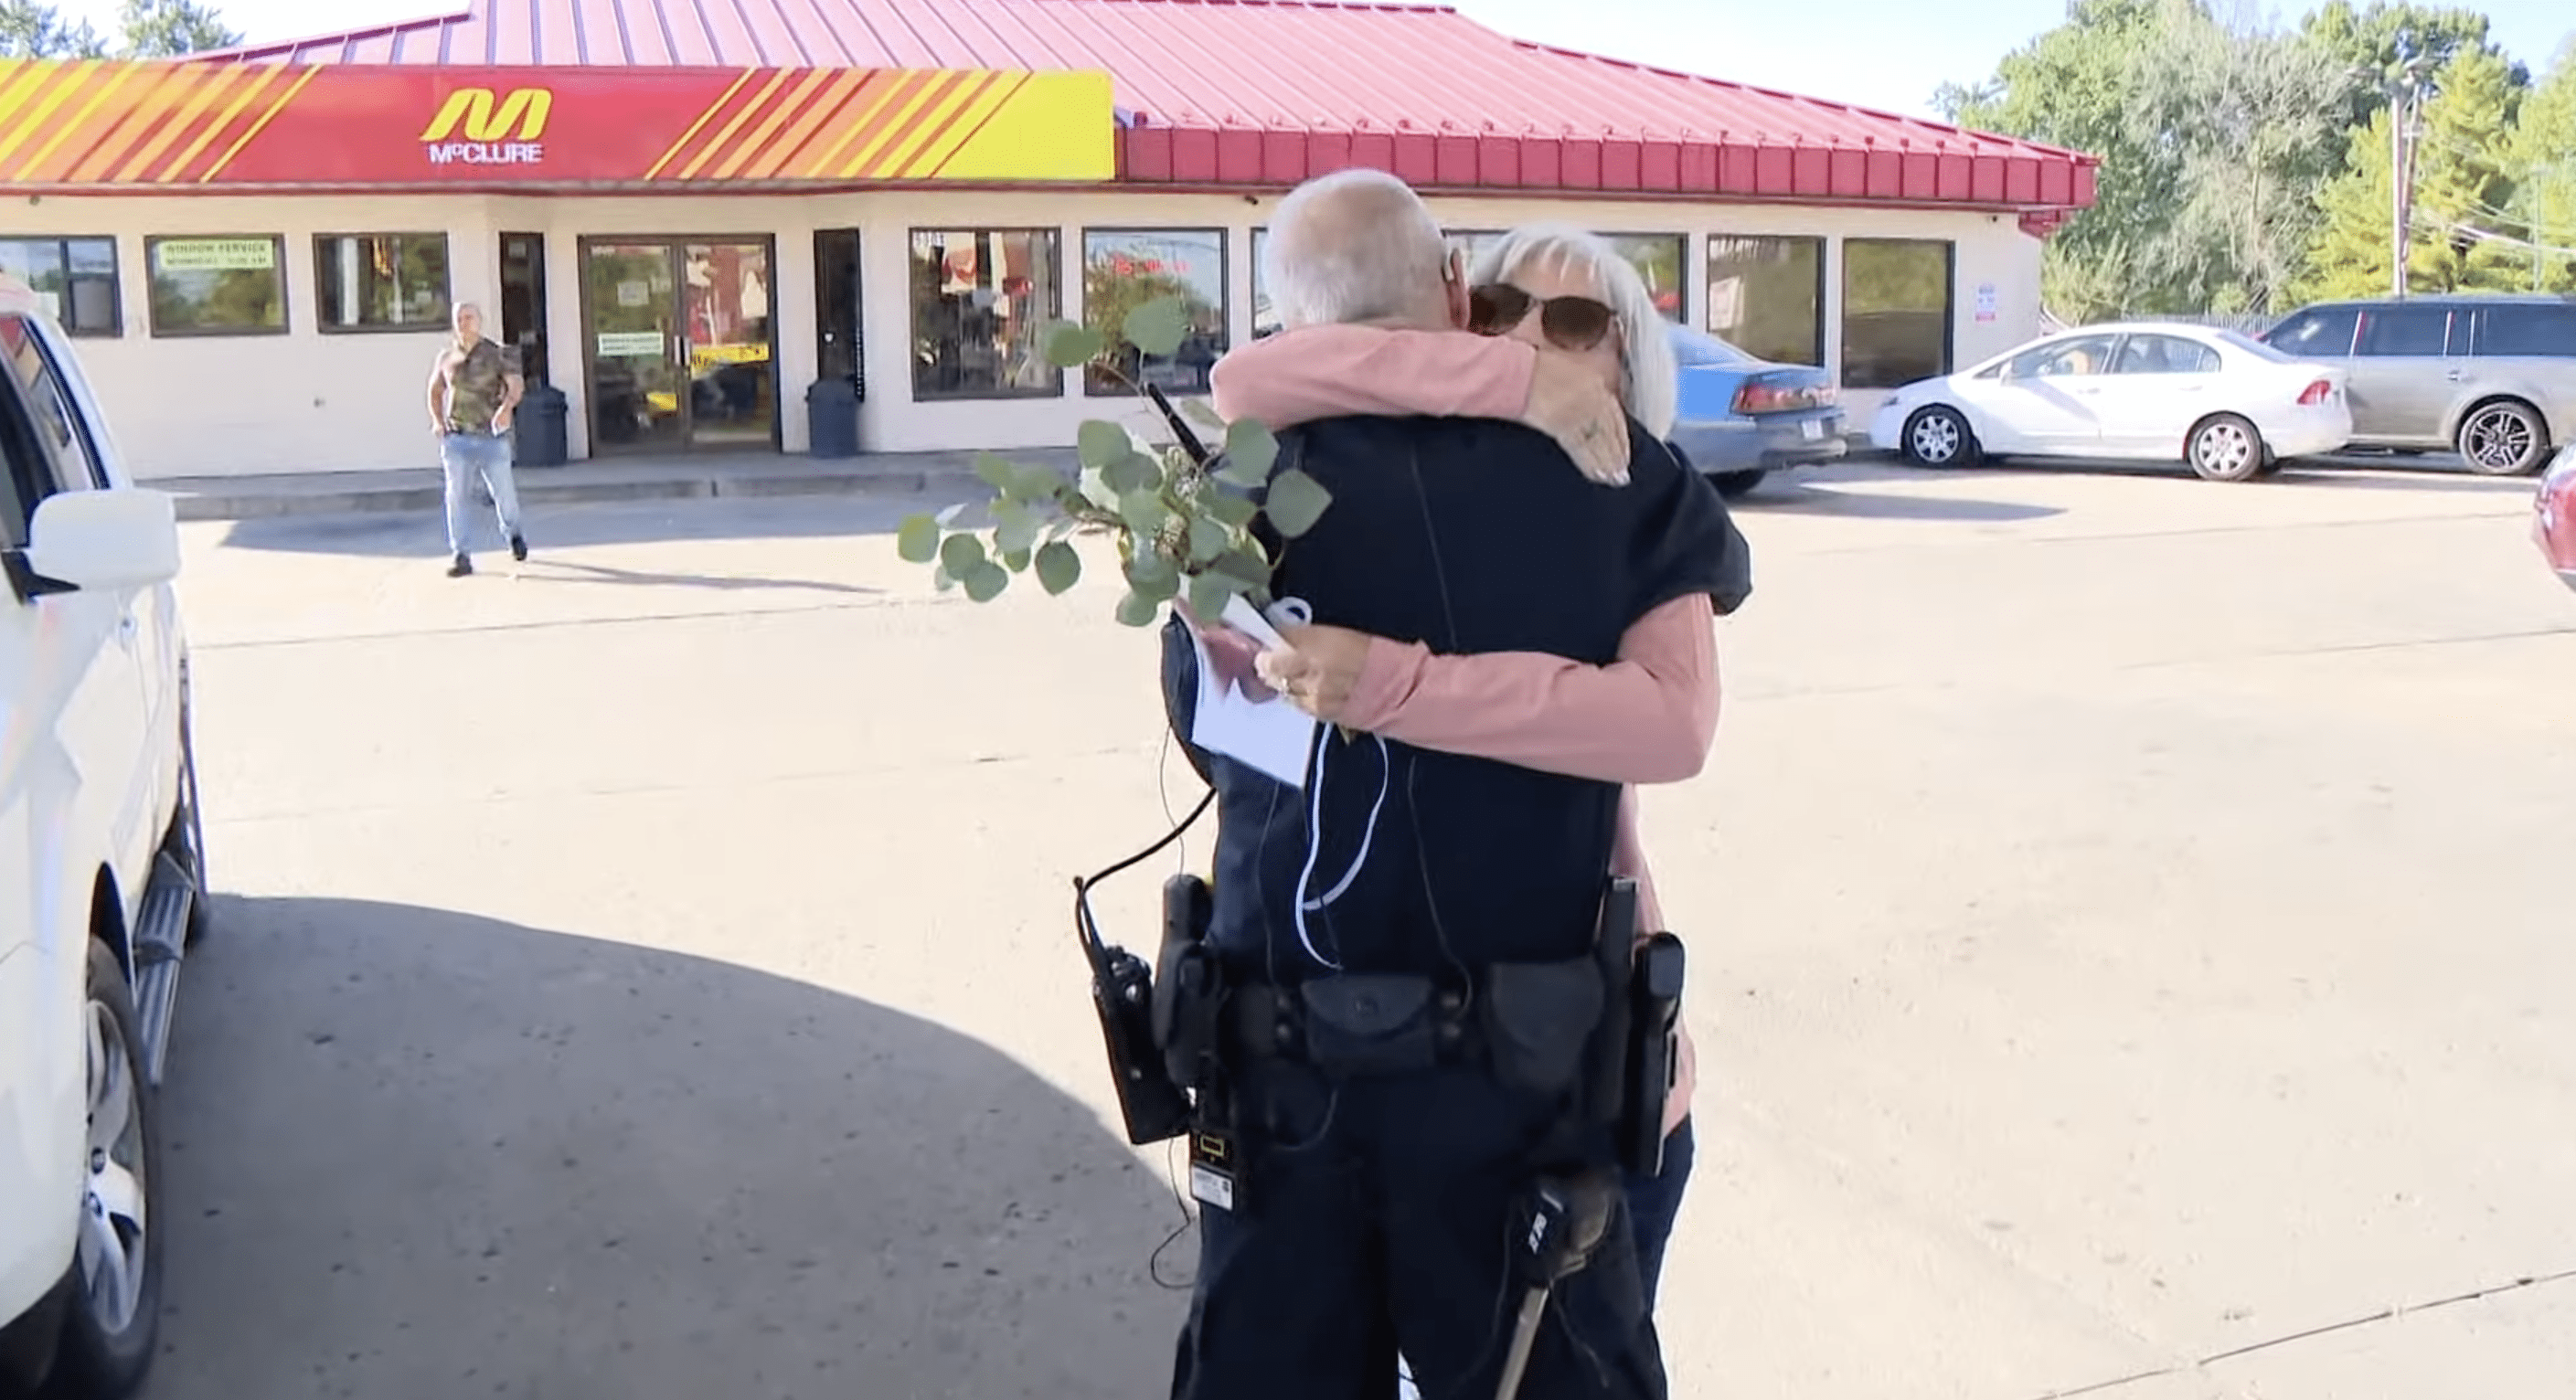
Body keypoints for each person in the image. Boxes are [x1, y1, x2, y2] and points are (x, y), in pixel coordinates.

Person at [1155, 169, 1751, 1400]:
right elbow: (1676, 725)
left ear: (1290, 315)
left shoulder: (1228, 501)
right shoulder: (1620, 478)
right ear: (1449, 297)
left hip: (1284, 1086)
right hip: (1516, 1088)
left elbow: (1230, 748)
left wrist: (1386, 693)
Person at [427, 302, 529, 578]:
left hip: (491, 438)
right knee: (456, 497)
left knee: (504, 495)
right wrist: (437, 421)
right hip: (457, 439)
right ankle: (461, 555)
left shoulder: (497, 353)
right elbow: (435, 391)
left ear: (479, 321)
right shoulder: (446, 357)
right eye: (459, 318)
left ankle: (514, 534)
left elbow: (516, 384)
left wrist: (506, 408)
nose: (463, 322)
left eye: (468, 317)